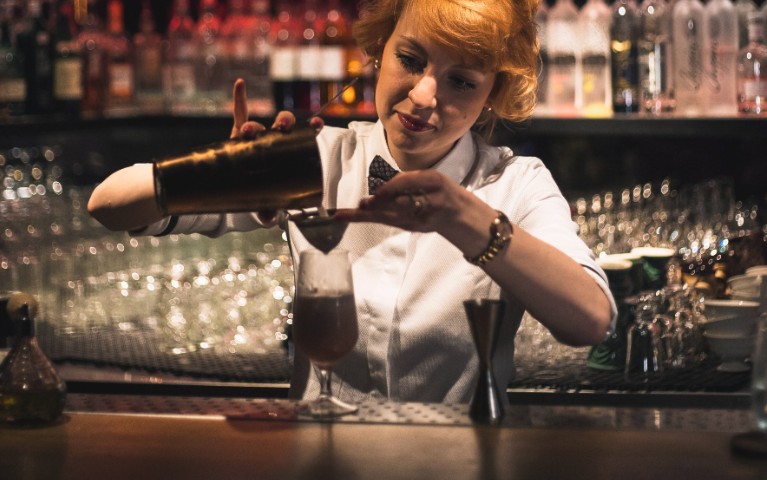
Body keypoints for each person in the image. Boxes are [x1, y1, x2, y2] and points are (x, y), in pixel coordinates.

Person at [88, 0, 616, 404]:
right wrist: (222, 172)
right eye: (410, 59)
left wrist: (465, 217)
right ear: (380, 49)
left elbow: (590, 321)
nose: (425, 95)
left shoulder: (515, 184)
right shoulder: (321, 158)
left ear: (492, 94)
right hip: (321, 459)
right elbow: (108, 204)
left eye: (461, 80)